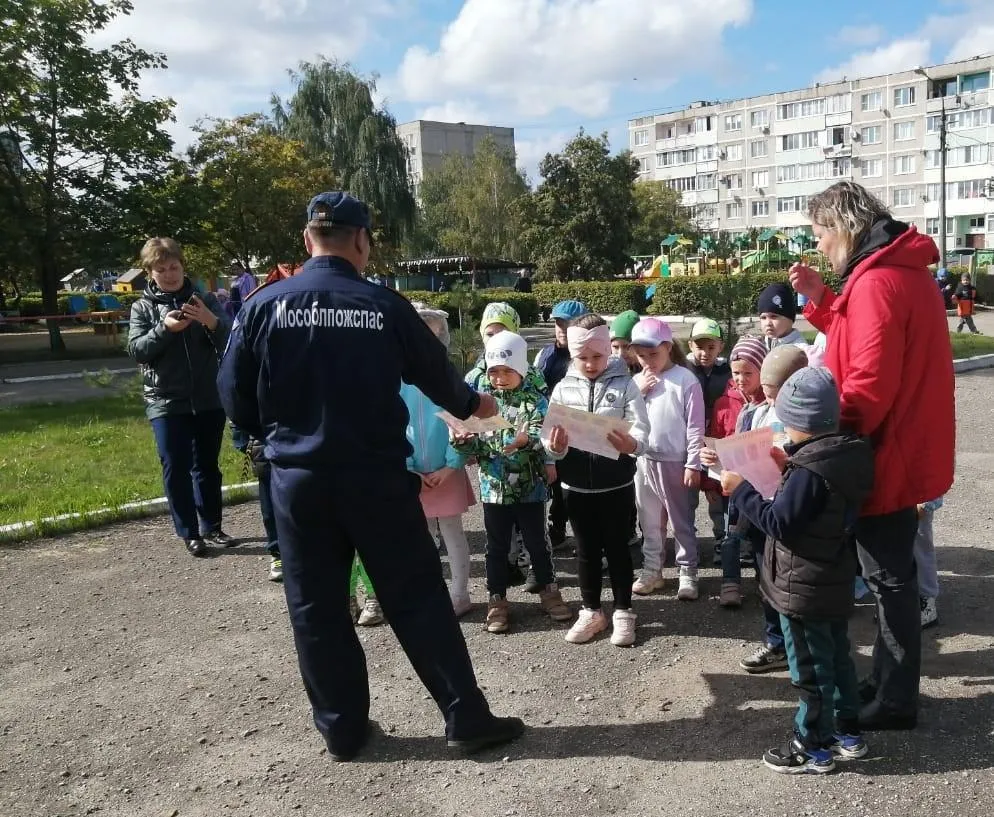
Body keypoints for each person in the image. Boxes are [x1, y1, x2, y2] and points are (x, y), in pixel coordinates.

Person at [216, 191, 523, 760]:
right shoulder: (384, 305)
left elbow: (233, 396)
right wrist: (479, 405)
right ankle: (466, 719)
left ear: (308, 239)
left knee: (315, 604)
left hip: (299, 480)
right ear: (361, 240)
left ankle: (342, 730)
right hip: (377, 478)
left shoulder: (263, 304)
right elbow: (441, 382)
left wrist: (284, 436)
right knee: (417, 598)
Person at [789, 180, 955, 731]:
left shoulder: (879, 280)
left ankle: (896, 699)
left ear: (843, 228)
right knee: (892, 577)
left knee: (889, 582)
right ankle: (888, 683)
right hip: (901, 445)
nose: (818, 247)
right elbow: (860, 339)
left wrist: (818, 439)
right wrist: (822, 300)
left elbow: (866, 383)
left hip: (884, 454)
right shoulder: (892, 271)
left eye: (819, 236)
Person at [722, 366, 875, 775]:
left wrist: (741, 490)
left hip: (802, 586)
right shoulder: (844, 453)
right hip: (833, 577)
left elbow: (780, 523)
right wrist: (788, 463)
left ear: (797, 421)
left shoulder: (809, 470)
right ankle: (848, 731)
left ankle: (813, 745)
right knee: (838, 657)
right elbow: (813, 498)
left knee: (810, 668)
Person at [451, 331, 572, 634]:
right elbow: (475, 448)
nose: (501, 378)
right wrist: (462, 441)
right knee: (496, 546)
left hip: (530, 488)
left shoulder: (535, 400)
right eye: (494, 372)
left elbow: (542, 435)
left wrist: (526, 440)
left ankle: (549, 589)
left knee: (538, 543)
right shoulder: (482, 404)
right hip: (494, 489)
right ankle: (496, 599)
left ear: (521, 370)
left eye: (507, 372)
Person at [128, 237, 235, 557]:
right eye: (161, 269)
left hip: (207, 398)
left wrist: (210, 320)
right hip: (165, 400)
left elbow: (231, 339)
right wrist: (165, 329)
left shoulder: (204, 299)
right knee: (175, 465)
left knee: (207, 466)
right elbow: (137, 350)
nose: (170, 274)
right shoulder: (143, 307)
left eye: (174, 267)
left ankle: (212, 526)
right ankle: (190, 533)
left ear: (183, 266)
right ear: (150, 273)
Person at [546, 315, 649, 646]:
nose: (590, 364)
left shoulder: (626, 383)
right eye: (582, 357)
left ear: (608, 351)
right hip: (575, 486)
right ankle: (591, 610)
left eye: (597, 356)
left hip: (616, 484)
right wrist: (555, 447)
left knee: (618, 548)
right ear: (572, 355)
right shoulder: (563, 386)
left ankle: (623, 611)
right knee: (585, 550)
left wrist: (631, 444)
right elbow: (549, 438)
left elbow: (642, 429)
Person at [401, 305, 475, 618]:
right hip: (412, 473)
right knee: (422, 539)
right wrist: (407, 468)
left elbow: (461, 422)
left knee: (452, 534)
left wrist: (451, 463)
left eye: (433, 334)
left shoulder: (446, 375)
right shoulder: (396, 378)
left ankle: (459, 594)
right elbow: (391, 425)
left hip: (447, 470)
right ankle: (430, 592)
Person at [628, 318, 705, 601]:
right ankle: (652, 570)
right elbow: (627, 419)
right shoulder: (635, 382)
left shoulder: (685, 380)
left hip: (675, 461)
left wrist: (693, 462)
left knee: (680, 519)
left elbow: (696, 425)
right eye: (641, 355)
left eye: (654, 354)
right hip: (643, 460)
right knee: (648, 520)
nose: (648, 361)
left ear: (668, 348)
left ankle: (687, 571)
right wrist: (640, 391)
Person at [535, 299, 589, 548]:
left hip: (584, 432)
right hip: (555, 431)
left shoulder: (588, 356)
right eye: (558, 323)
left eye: (568, 323)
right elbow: (536, 393)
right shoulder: (545, 356)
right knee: (555, 484)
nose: (561, 328)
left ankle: (587, 533)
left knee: (580, 485)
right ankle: (556, 529)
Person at [685, 317, 731, 559]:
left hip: (717, 440)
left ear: (721, 346)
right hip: (689, 441)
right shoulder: (683, 370)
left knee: (717, 492)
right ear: (690, 345)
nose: (705, 352)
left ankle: (721, 539)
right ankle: (688, 539)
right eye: (700, 346)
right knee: (688, 492)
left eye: (711, 347)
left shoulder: (728, 371)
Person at [916, 497, 944, 629]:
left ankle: (926, 602)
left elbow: (936, 475)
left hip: (917, 495)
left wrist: (927, 504)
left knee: (918, 545)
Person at [757, 283, 807, 351]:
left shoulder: (801, 351)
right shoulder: (760, 347)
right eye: (763, 317)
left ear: (790, 318)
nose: (768, 323)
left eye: (773, 316)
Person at [609, 310, 642, 375]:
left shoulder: (648, 372)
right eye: (615, 347)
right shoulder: (607, 370)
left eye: (626, 346)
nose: (621, 353)